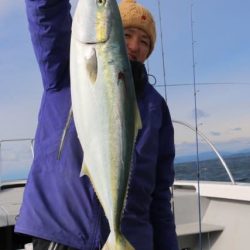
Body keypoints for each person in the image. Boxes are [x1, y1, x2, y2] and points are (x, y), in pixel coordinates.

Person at [15, 0, 179, 249]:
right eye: (126, 34)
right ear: (109, 30)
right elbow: (46, 14)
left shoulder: (155, 107)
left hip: (131, 240)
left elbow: (159, 195)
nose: (135, 46)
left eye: (144, 41)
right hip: (63, 235)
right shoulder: (65, 71)